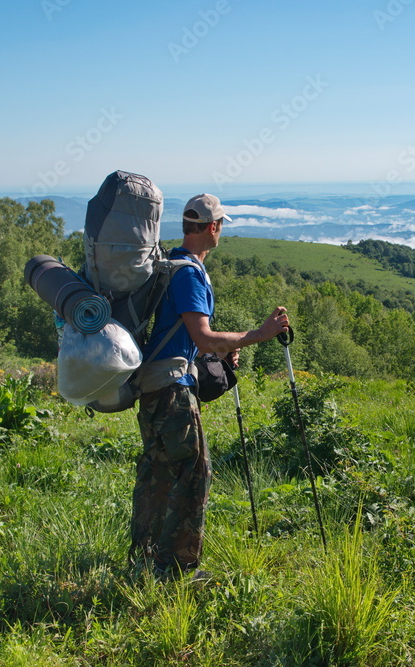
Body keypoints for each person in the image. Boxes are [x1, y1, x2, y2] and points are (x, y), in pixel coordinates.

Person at [130, 193, 290, 581]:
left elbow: (187, 339)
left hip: (154, 385)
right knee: (193, 473)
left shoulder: (172, 264)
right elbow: (203, 337)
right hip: (172, 388)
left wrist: (218, 354)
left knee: (158, 473)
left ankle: (144, 560)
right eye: (221, 225)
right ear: (213, 227)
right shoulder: (187, 274)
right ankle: (179, 569)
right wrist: (261, 334)